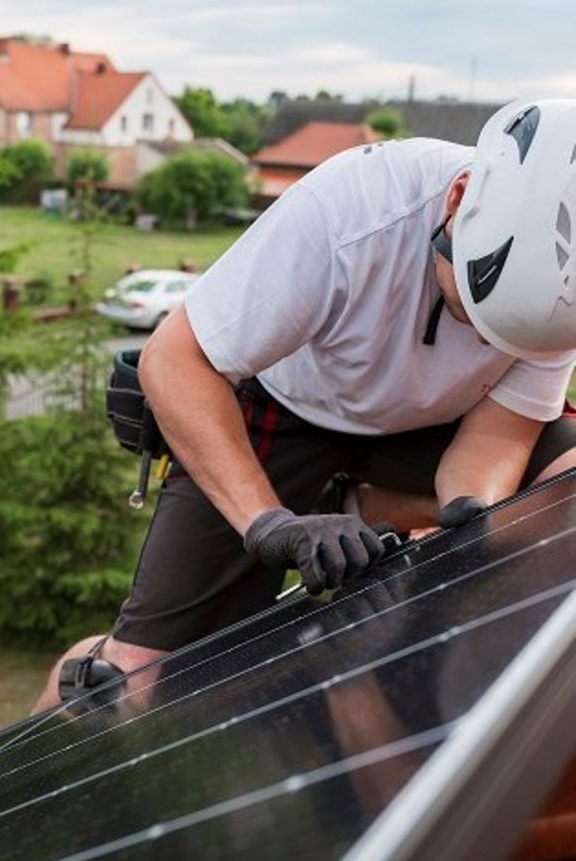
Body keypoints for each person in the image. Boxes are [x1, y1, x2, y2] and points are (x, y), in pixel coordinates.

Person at [32, 97, 576, 714]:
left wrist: (471, 518)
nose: (482, 342)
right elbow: (174, 359)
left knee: (564, 487)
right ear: (457, 202)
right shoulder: (351, 208)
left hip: (430, 428)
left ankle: (377, 532)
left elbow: (498, 435)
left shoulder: (560, 295)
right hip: (284, 413)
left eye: (505, 338)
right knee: (136, 679)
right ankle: (17, 784)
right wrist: (270, 525)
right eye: (474, 314)